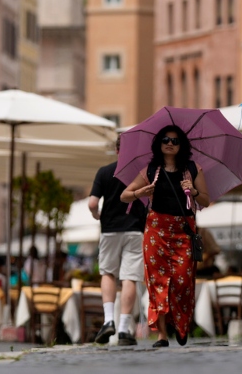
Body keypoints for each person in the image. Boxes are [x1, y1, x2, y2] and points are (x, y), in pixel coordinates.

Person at [121, 125, 210, 348]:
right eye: (165, 140)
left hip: (183, 230)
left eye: (175, 141)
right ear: (158, 144)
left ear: (182, 145)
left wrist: (194, 191)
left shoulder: (193, 169)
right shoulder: (150, 170)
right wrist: (139, 193)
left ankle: (180, 324)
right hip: (156, 232)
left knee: (182, 282)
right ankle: (162, 334)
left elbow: (206, 201)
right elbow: (124, 196)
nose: (170, 144)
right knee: (157, 282)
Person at [88, 135, 147, 346]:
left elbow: (92, 203)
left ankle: (108, 320)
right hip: (135, 230)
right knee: (130, 277)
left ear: (117, 150)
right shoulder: (142, 173)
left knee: (108, 273)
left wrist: (97, 215)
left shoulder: (104, 172)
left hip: (110, 230)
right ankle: (123, 329)